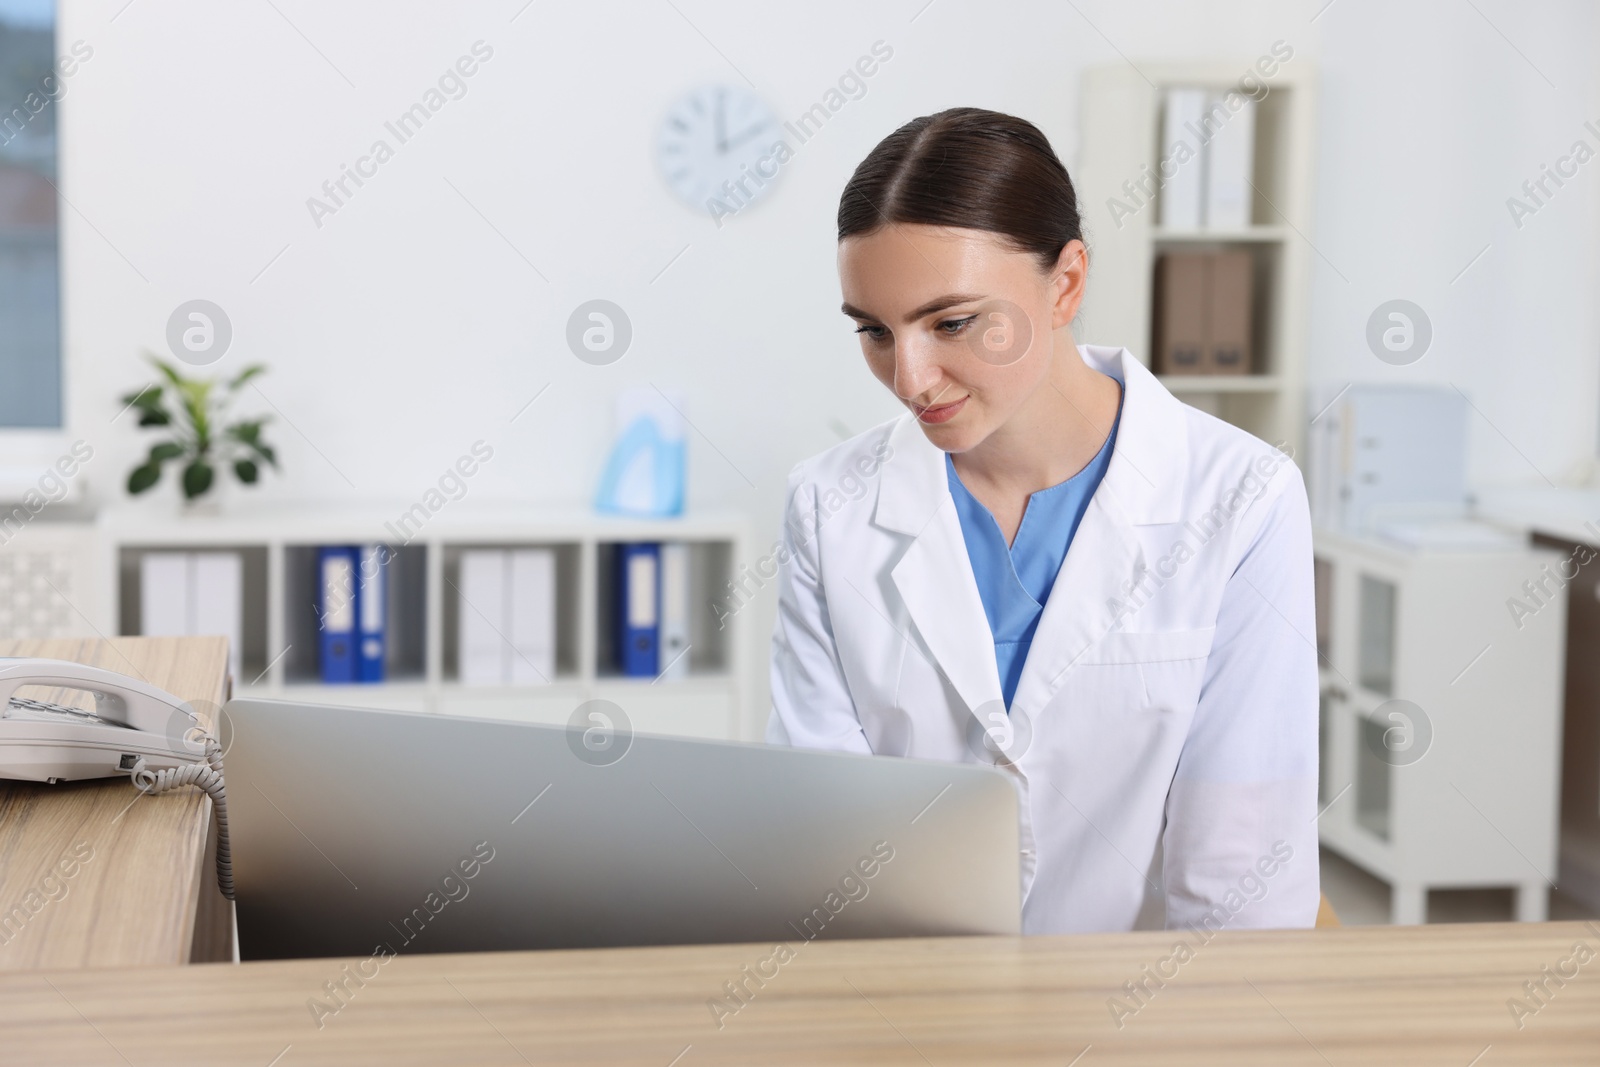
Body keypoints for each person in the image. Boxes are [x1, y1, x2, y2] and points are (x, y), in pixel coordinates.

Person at [766, 107, 1319, 934]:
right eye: (876, 332)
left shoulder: (1242, 498)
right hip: (900, 1006)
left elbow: (1239, 884)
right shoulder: (826, 505)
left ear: (1064, 283)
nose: (910, 377)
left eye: (951, 322)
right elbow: (825, 837)